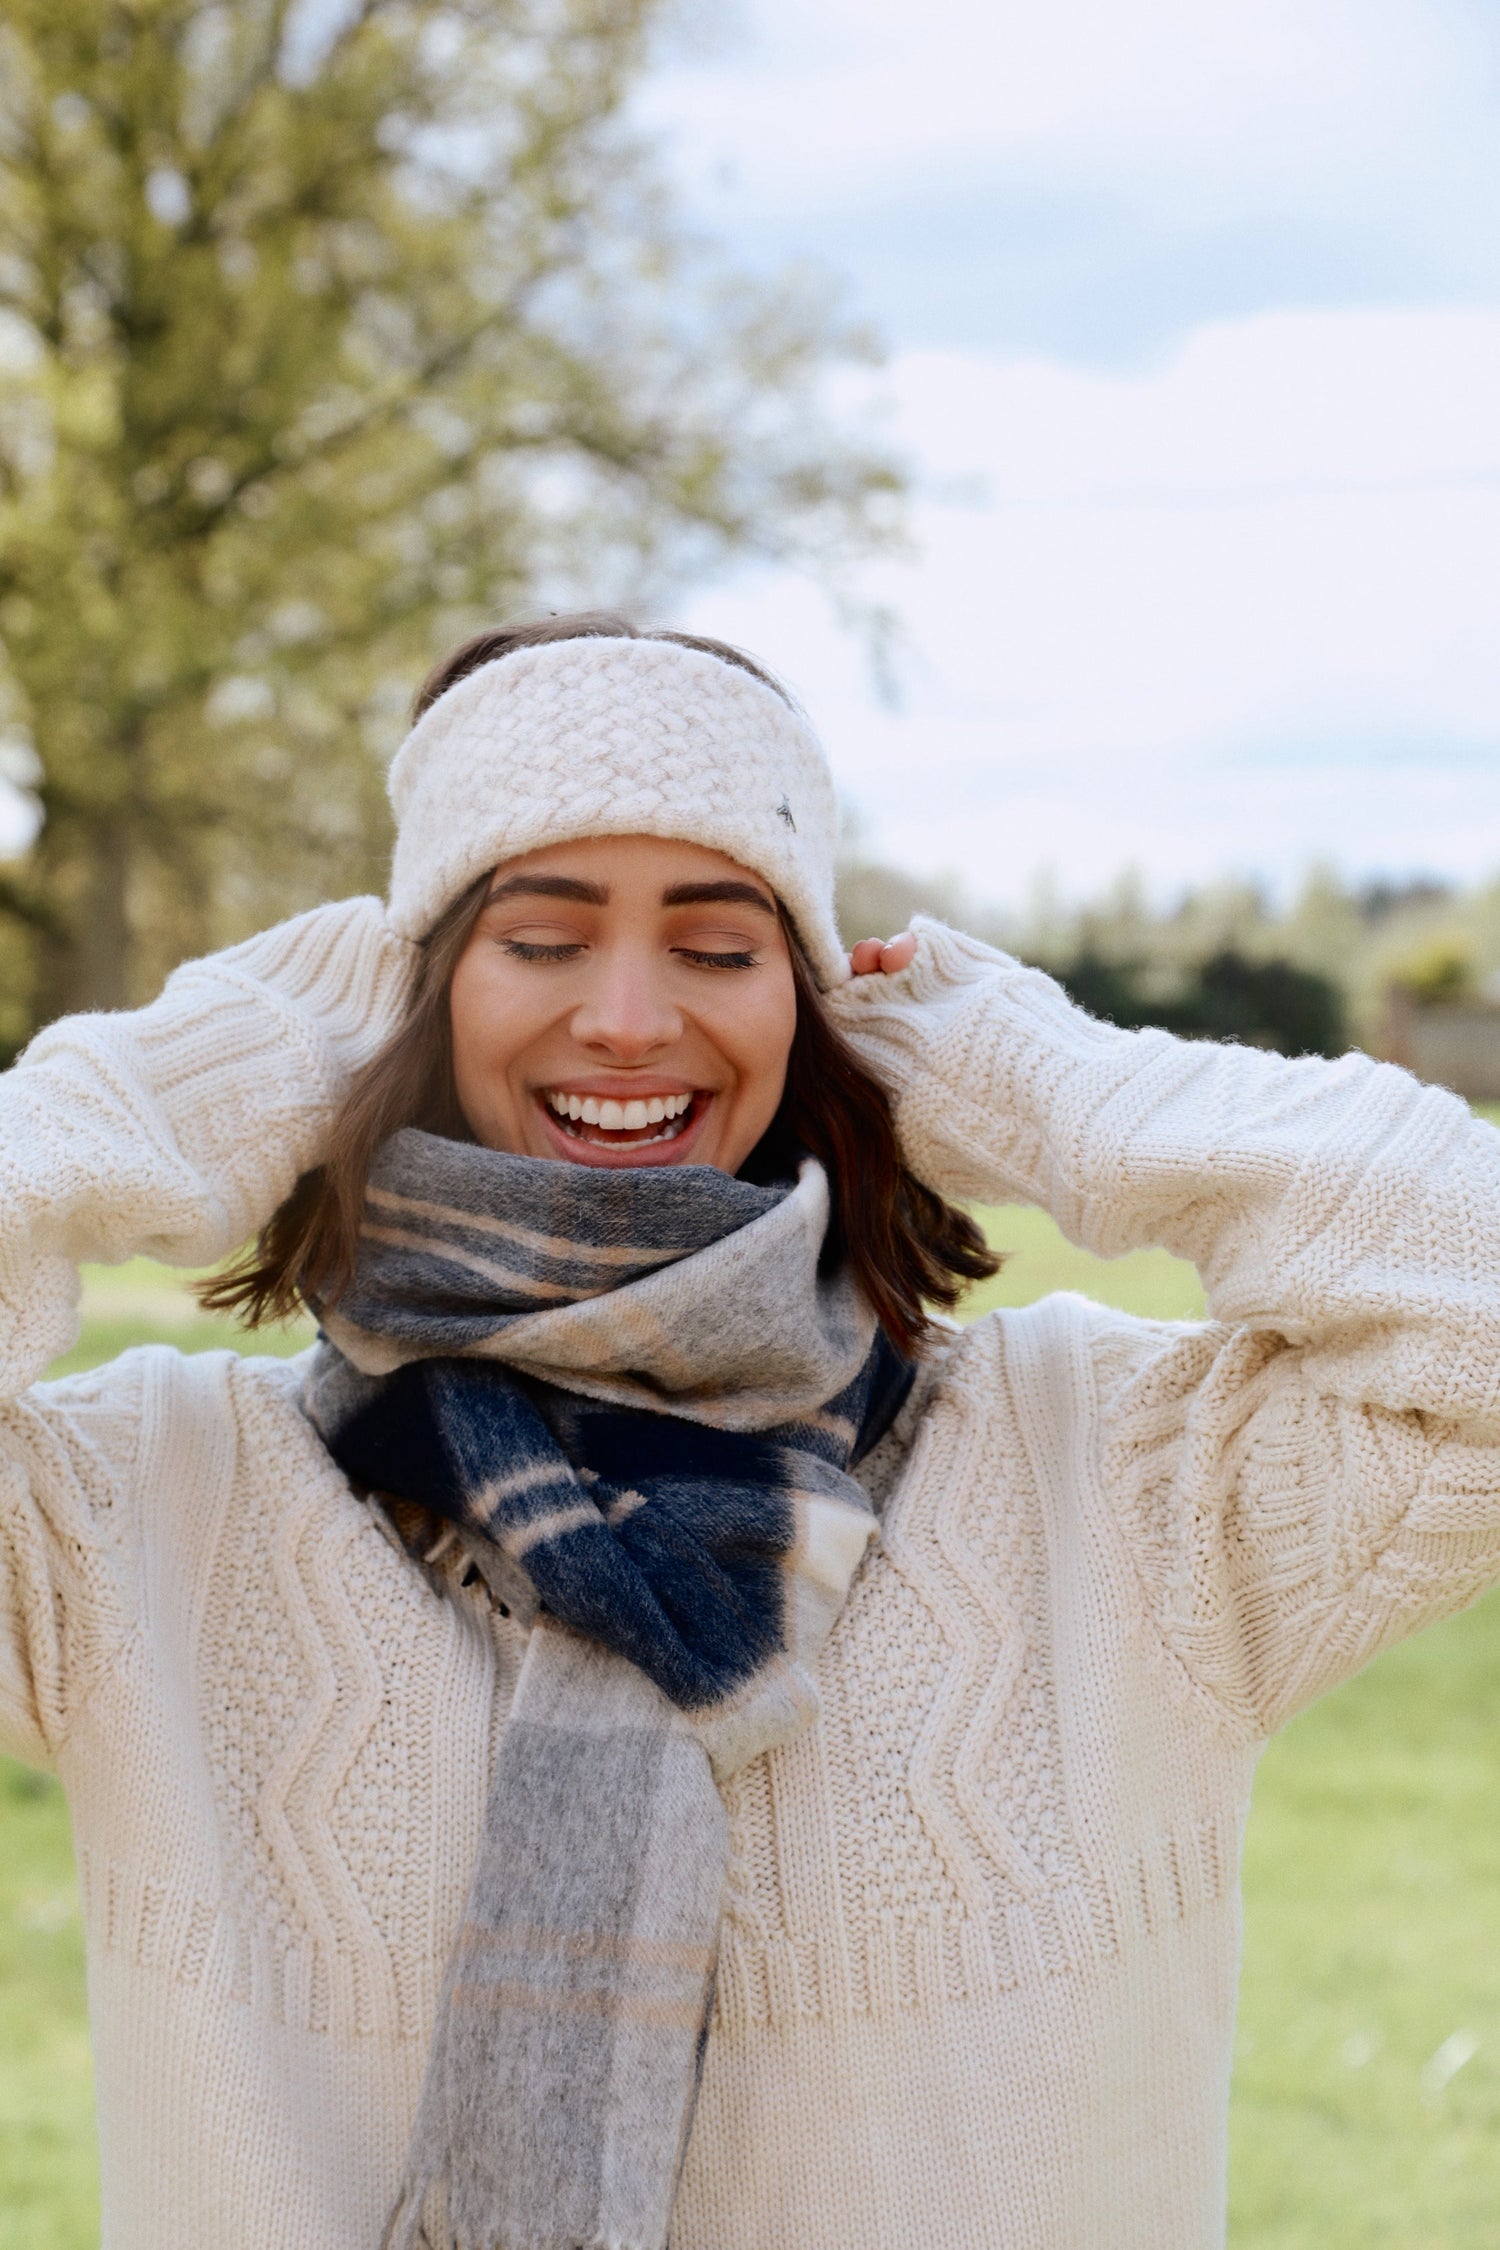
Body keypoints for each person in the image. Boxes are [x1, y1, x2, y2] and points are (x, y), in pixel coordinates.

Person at [2, 611, 1497, 2250]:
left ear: (816, 1006)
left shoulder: (1121, 1487)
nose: (632, 1019)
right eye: (541, 938)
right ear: (413, 1001)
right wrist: (181, 1088)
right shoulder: (141, 1513)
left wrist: (1048, 1080)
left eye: (720, 947)